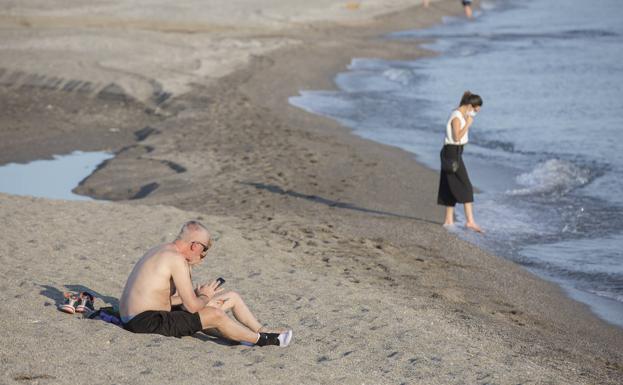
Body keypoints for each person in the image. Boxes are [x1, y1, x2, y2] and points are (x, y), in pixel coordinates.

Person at [119, 221, 292, 347]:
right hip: (144, 322)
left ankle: (262, 329)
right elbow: (193, 308)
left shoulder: (161, 249)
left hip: (145, 314)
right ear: (195, 245)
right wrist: (203, 296)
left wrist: (195, 293)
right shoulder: (175, 259)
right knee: (215, 314)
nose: (204, 255)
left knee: (232, 297)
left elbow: (162, 299)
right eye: (204, 249)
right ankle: (264, 340)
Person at [437, 91, 483, 233]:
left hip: (454, 152)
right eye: (475, 109)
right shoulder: (456, 116)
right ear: (470, 105)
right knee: (467, 186)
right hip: (452, 153)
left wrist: (467, 120)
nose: (476, 113)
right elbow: (457, 137)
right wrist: (468, 124)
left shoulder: (461, 114)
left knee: (448, 186)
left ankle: (448, 221)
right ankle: (470, 221)